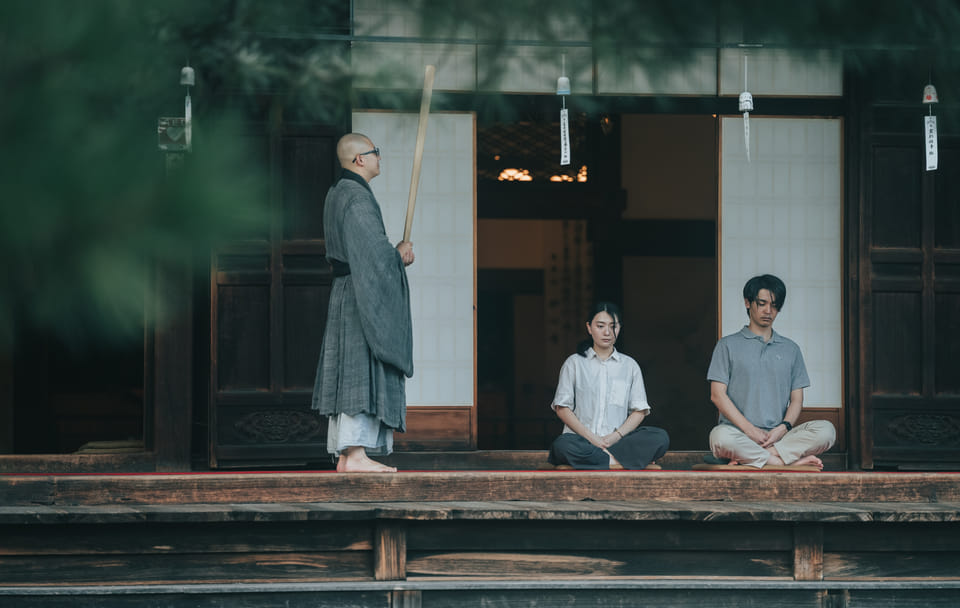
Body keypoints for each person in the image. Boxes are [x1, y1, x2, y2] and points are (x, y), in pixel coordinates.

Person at [312, 133, 415, 473]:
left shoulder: (336, 193)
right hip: (360, 293)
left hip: (348, 290)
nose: (379, 158)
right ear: (359, 160)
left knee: (353, 367)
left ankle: (348, 455)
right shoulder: (355, 197)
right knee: (359, 367)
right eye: (375, 153)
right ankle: (354, 454)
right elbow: (372, 254)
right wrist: (398, 256)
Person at [706, 274, 836, 469]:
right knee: (719, 437)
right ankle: (786, 463)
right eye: (762, 303)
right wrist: (750, 431)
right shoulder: (727, 345)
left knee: (827, 430)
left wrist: (782, 429)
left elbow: (797, 400)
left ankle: (761, 458)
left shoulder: (791, 349)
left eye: (774, 306)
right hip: (739, 434)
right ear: (748, 303)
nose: (768, 311)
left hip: (779, 439)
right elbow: (717, 396)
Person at [547, 302, 670, 470]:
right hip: (582, 441)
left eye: (613, 326)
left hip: (618, 443)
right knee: (562, 446)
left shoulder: (630, 366)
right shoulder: (574, 363)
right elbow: (562, 407)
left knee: (660, 437)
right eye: (600, 326)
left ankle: (602, 460)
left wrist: (614, 437)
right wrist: (593, 439)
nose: (607, 332)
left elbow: (639, 411)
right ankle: (618, 462)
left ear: (619, 329)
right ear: (589, 328)